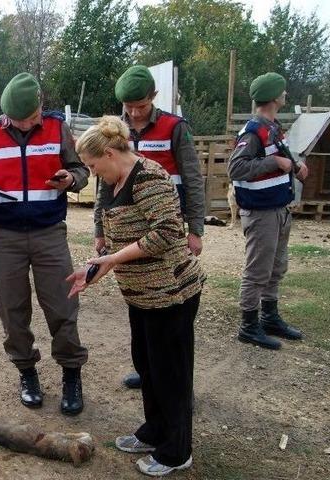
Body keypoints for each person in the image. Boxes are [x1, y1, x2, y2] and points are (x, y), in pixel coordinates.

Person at [68, 116, 204, 476]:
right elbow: (115, 240)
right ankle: (155, 430)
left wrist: (112, 258)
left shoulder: (149, 177)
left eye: (93, 165)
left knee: (171, 372)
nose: (92, 172)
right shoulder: (113, 182)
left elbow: (167, 232)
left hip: (171, 292)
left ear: (111, 153)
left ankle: (177, 450)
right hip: (141, 293)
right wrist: (95, 271)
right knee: (147, 365)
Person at [0, 72, 90, 415]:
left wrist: (71, 179)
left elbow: (81, 170)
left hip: (49, 232)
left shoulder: (58, 128)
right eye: (18, 120)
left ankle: (71, 375)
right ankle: (27, 372)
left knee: (62, 306)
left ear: (40, 106)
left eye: (31, 118)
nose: (26, 124)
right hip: (4, 236)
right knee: (13, 310)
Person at [105, 65, 205, 390]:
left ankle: (179, 387)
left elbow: (192, 179)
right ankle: (148, 370)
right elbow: (105, 187)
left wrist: (196, 230)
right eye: (129, 107)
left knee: (174, 318)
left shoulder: (175, 128)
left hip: (167, 231)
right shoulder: (115, 131)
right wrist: (99, 231)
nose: (134, 113)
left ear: (154, 97)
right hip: (131, 237)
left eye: (141, 106)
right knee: (142, 313)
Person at [228, 72, 308, 350]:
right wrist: (275, 162)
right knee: (257, 271)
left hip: (279, 208)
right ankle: (249, 325)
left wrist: (295, 166)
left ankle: (270, 317)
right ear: (275, 97)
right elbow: (236, 169)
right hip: (261, 212)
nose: (286, 95)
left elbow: (282, 159)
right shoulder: (252, 132)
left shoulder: (273, 127)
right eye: (283, 92)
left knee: (277, 267)